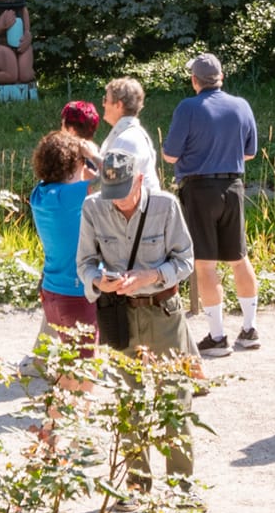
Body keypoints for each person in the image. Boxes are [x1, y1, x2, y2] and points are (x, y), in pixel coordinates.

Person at [76, 146, 197, 477]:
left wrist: (152, 275)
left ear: (140, 180)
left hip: (164, 312)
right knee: (128, 402)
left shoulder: (166, 206)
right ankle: (135, 485)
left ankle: (180, 488)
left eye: (124, 193)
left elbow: (186, 260)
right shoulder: (92, 207)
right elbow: (84, 264)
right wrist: (99, 281)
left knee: (175, 399)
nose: (117, 201)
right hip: (120, 315)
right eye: (110, 193)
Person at [162, 53, 260, 356]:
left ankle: (217, 337)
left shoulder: (188, 108)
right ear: (221, 77)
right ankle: (249, 329)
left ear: (195, 81)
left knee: (205, 264)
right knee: (239, 258)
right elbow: (250, 153)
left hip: (199, 190)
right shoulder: (241, 105)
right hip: (233, 186)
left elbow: (169, 155)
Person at [27, 130, 98, 369]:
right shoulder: (71, 196)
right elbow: (117, 178)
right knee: (82, 372)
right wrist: (94, 156)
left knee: (71, 365)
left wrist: (79, 166)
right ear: (76, 164)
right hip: (76, 294)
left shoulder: (39, 194)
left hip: (51, 292)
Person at [60, 101, 102, 176]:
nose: (61, 128)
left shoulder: (67, 159)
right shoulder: (101, 153)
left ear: (71, 130)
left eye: (62, 124)